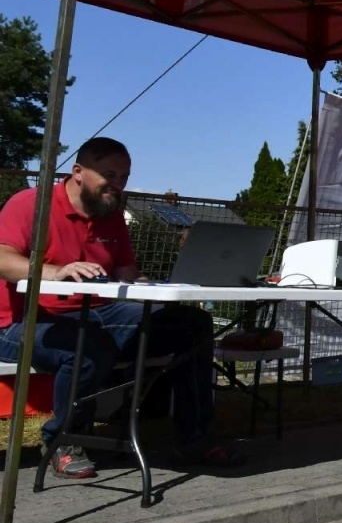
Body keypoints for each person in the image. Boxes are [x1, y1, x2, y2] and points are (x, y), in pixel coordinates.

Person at [0, 138, 242, 478]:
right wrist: (56, 271)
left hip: (99, 313)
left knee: (193, 325)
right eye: (109, 174)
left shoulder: (110, 214)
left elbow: (128, 275)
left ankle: (194, 439)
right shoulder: (31, 203)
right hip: (21, 321)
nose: (118, 184)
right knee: (88, 346)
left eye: (124, 176)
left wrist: (158, 288)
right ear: (78, 172)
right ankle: (61, 441)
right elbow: (2, 257)